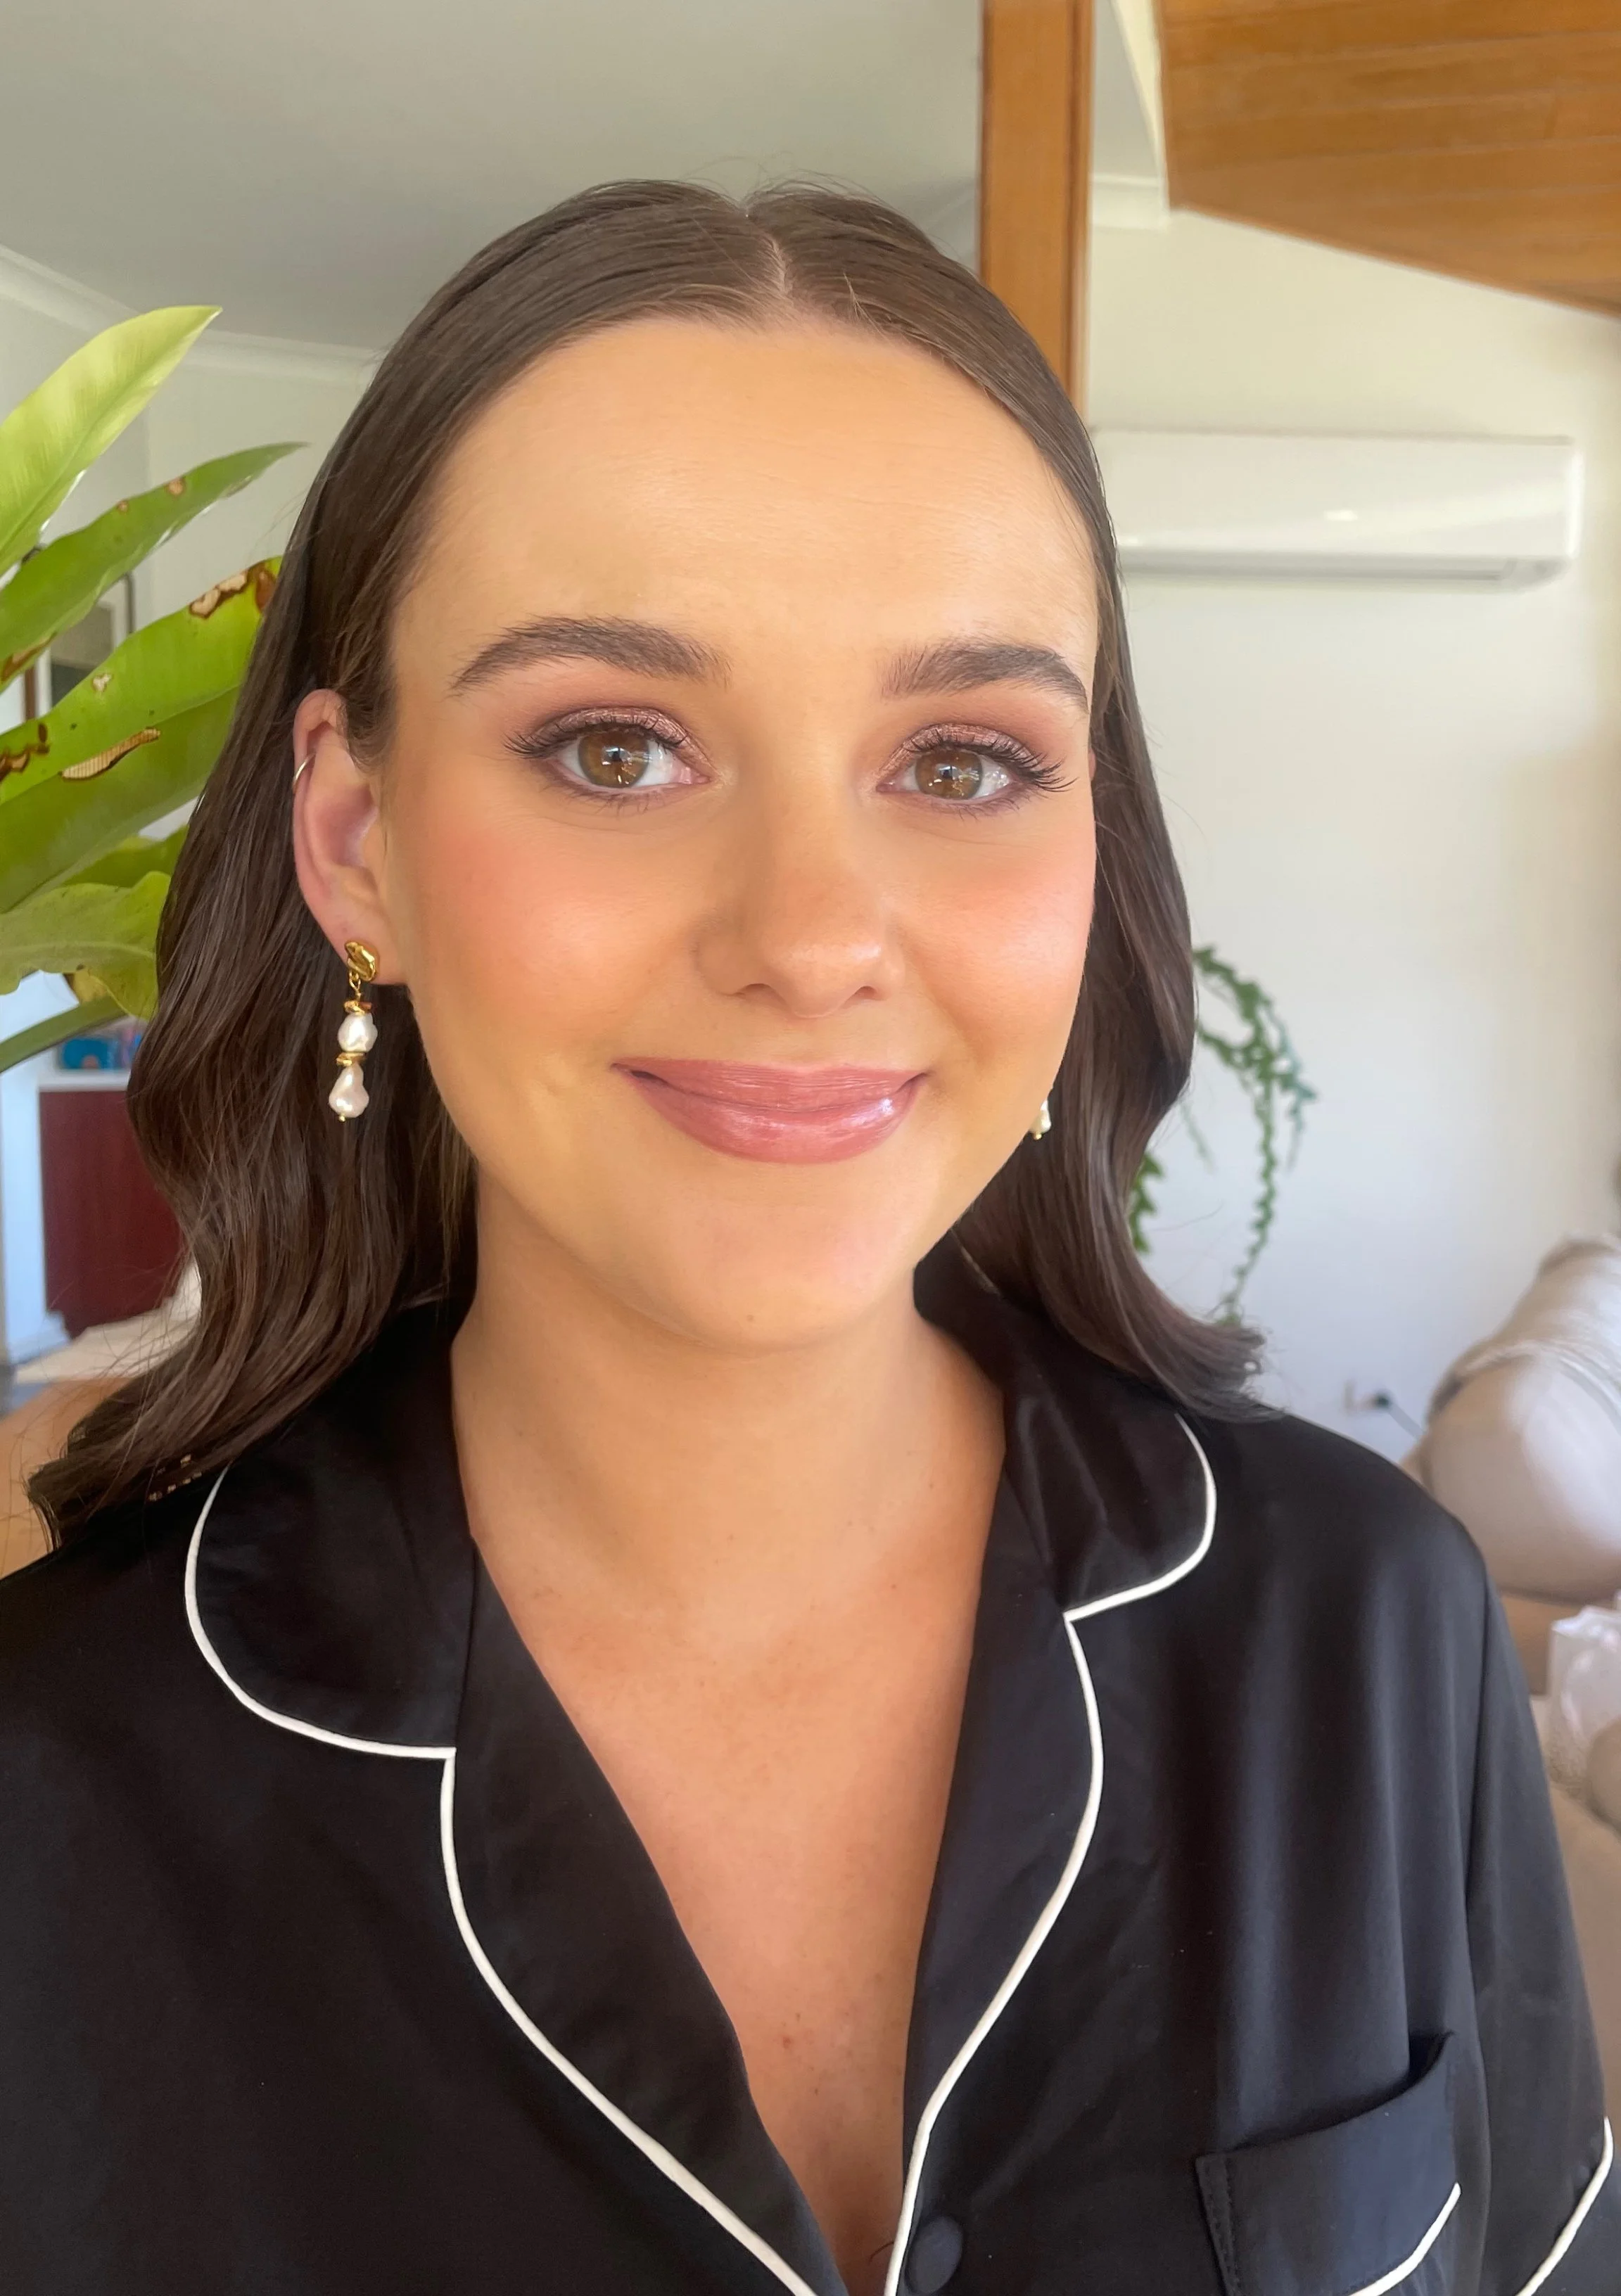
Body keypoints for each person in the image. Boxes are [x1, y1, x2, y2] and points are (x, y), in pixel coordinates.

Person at [0, 183, 1612, 2296]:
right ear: (356, 838)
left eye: (963, 760)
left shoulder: (1373, 1628)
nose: (812, 935)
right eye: (613, 746)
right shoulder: (52, 1777)